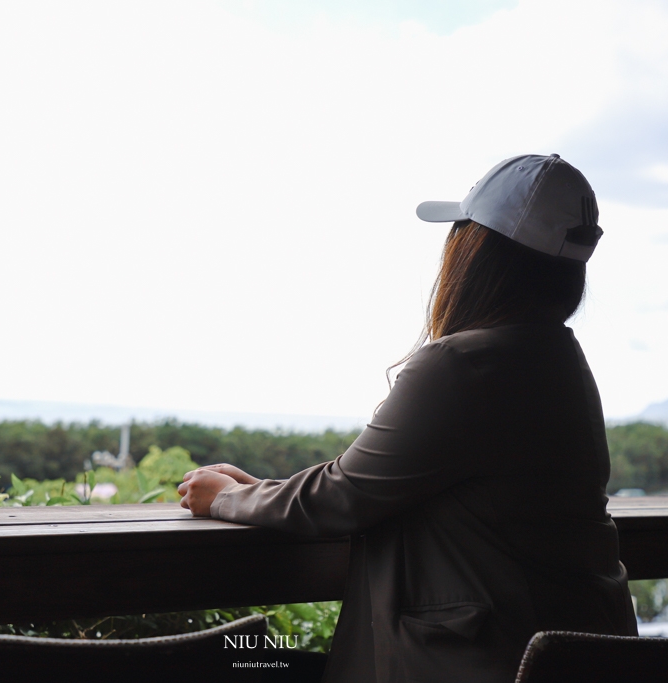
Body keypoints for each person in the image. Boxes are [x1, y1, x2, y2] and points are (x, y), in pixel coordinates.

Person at [177, 154, 637, 683]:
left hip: (489, 660)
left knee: (237, 664)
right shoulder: (557, 358)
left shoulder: (464, 364)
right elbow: (393, 486)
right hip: (579, 651)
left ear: (477, 254)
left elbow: (343, 495)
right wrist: (265, 490)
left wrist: (227, 497)